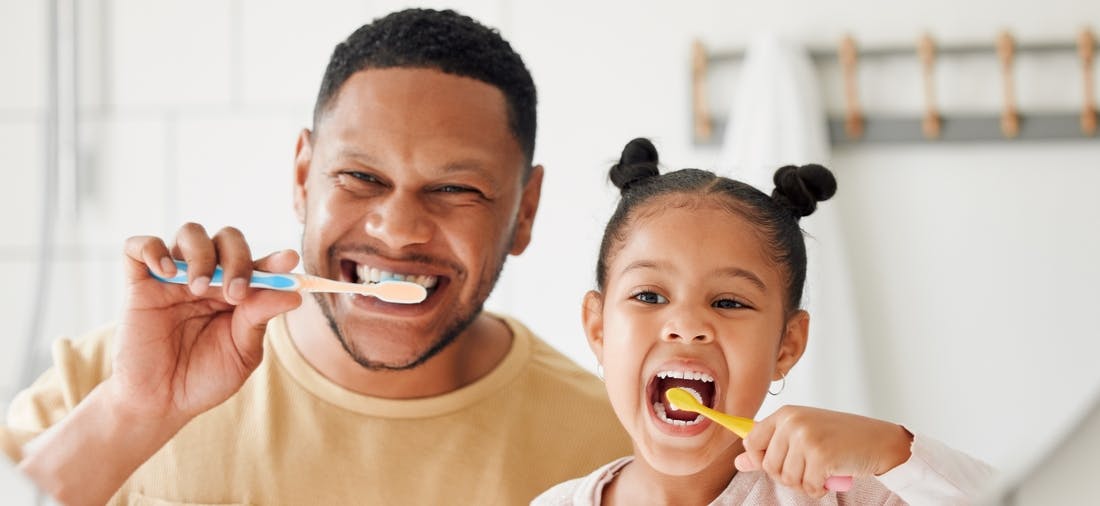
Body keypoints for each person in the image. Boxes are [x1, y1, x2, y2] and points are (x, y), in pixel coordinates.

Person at [0, 9, 632, 505]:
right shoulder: (104, 384)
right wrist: (133, 415)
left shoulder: (617, 454)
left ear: (524, 211)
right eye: (360, 176)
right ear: (304, 177)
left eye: (455, 189)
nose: (399, 229)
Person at [534, 138, 994, 505]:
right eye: (649, 295)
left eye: (730, 303)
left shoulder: (850, 496)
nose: (688, 324)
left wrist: (891, 449)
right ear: (598, 329)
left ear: (786, 345)